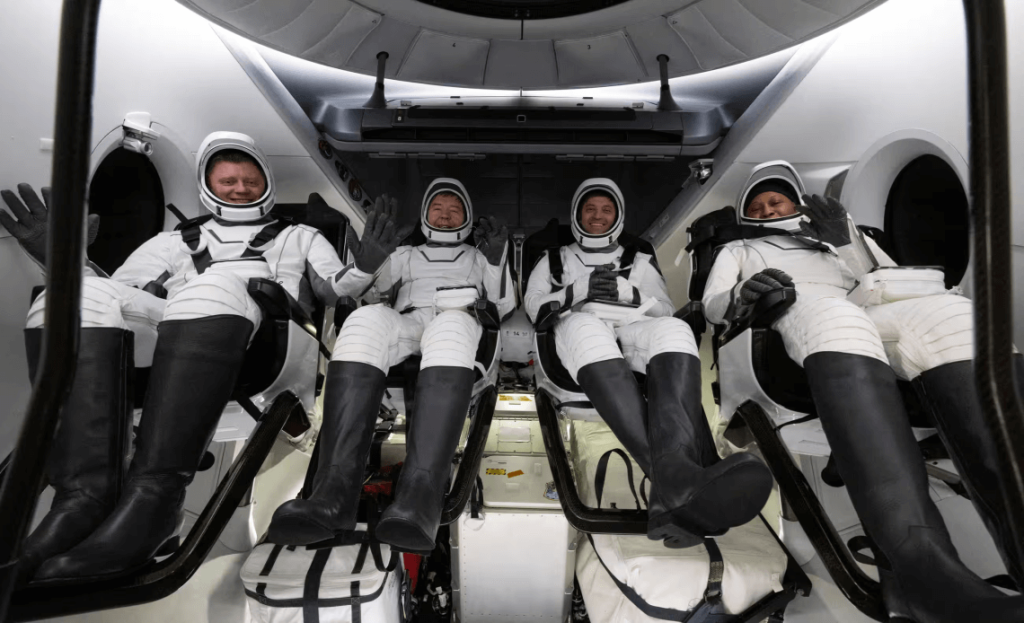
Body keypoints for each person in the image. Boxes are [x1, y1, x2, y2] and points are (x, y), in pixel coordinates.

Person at [1, 131, 371, 581]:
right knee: (70, 296)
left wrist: (367, 263)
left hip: (273, 343)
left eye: (249, 180)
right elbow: (120, 294)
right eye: (227, 181)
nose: (239, 188)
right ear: (208, 185)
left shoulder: (300, 236)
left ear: (265, 182)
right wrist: (67, 261)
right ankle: (83, 499)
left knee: (210, 286)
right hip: (179, 332)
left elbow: (335, 287)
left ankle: (157, 500)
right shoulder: (171, 243)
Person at [702, 160, 1024, 623]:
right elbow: (715, 306)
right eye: (759, 205)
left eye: (778, 200)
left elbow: (890, 278)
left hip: (876, 303)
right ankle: (922, 577)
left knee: (958, 319)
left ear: (794, 201)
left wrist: (843, 241)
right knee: (841, 320)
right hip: (799, 306)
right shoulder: (738, 248)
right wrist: (744, 293)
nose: (770, 209)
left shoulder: (842, 234)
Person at [267, 177, 514, 554]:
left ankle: (420, 498)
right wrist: (369, 260)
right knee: (364, 321)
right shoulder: (405, 254)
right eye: (438, 209)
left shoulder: (479, 257)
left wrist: (497, 260)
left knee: (449, 325)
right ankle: (332, 493)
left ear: (466, 218)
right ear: (425, 215)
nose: (445, 217)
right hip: (409, 322)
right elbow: (364, 292)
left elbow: (504, 305)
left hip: (458, 321)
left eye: (454, 211)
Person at [524, 178, 773, 548]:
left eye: (605, 209)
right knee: (586, 326)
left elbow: (663, 309)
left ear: (618, 215)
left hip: (633, 322)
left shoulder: (637, 259)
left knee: (673, 329)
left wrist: (630, 292)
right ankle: (683, 480)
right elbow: (533, 307)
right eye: (589, 209)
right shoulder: (553, 259)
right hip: (578, 324)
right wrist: (580, 291)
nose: (597, 215)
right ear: (577, 214)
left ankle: (671, 489)